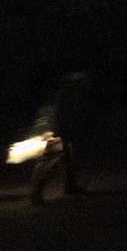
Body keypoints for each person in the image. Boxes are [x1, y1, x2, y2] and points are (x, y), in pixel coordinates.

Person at [29, 70, 94, 205]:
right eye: (84, 82)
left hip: (62, 130)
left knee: (67, 160)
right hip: (53, 132)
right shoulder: (63, 96)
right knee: (46, 163)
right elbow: (49, 114)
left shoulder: (70, 95)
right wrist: (47, 131)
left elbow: (71, 115)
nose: (88, 85)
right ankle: (35, 195)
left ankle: (70, 186)